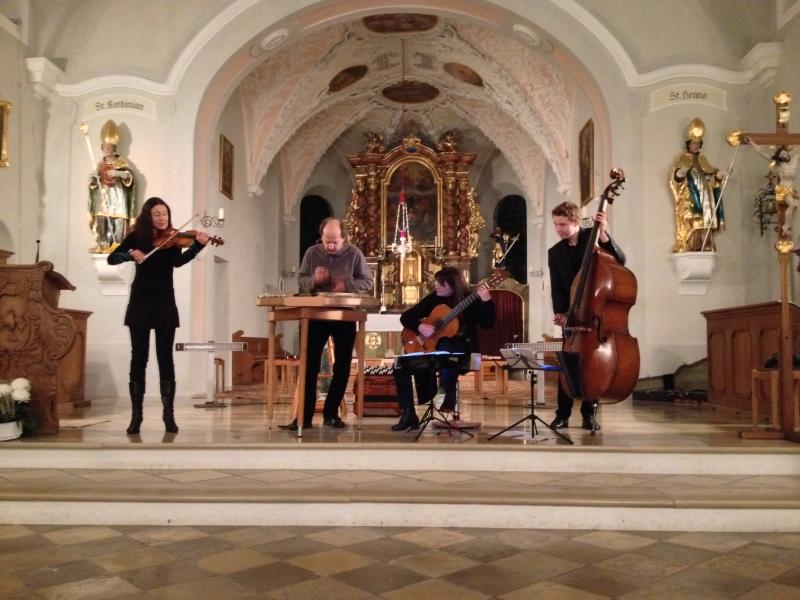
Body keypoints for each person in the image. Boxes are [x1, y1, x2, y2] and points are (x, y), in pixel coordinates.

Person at [107, 197, 209, 435]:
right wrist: (131, 254)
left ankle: (168, 416)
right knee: (138, 358)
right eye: (157, 214)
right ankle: (136, 417)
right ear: (148, 216)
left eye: (165, 213)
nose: (162, 217)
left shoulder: (174, 239)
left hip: (165, 303)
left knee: (166, 359)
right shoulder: (137, 238)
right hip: (140, 303)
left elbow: (179, 262)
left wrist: (198, 246)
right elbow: (112, 258)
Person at [283, 217, 373, 431]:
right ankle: (303, 418)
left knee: (342, 366)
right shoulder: (312, 253)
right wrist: (314, 279)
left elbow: (367, 282)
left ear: (344, 238)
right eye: (327, 242)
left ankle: (331, 414)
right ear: (321, 238)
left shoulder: (354, 254)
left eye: (335, 242)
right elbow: (301, 281)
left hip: (345, 316)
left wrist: (347, 283)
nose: (331, 246)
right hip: (315, 315)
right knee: (309, 365)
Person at [548, 201, 626, 431]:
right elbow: (558, 288)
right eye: (555, 224)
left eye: (562, 224)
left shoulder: (592, 241)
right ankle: (562, 414)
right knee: (567, 365)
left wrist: (603, 236)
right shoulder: (555, 252)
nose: (558, 229)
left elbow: (620, 260)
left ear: (575, 222)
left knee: (592, 365)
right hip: (572, 316)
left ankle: (589, 414)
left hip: (594, 314)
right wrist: (560, 313)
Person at [391, 267, 494, 431]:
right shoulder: (434, 299)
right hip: (432, 352)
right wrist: (421, 326)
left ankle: (448, 393)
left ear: (454, 286)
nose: (436, 287)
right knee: (399, 366)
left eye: (441, 284)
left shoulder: (470, 300)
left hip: (463, 352)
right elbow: (406, 317)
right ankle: (409, 414)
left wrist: (487, 300)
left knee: (445, 345)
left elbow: (488, 324)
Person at [669, 118, 725, 252]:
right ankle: (692, 245)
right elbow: (676, 178)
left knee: (707, 220)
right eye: (693, 143)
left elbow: (711, 175)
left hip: (706, 195)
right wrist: (681, 173)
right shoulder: (683, 159)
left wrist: (719, 176)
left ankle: (707, 243)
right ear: (688, 144)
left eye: (698, 143)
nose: (695, 146)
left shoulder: (703, 160)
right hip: (692, 196)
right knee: (694, 219)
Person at [89, 120, 136, 253]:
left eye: (110, 147)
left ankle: (117, 243)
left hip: (117, 194)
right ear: (102, 148)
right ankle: (103, 244)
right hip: (103, 195)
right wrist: (93, 179)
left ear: (114, 148)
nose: (107, 149)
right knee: (102, 217)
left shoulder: (121, 161)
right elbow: (93, 184)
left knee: (118, 217)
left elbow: (130, 177)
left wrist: (119, 173)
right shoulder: (99, 164)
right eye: (105, 147)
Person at [744, 140, 799, 238]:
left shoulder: (795, 159)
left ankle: (787, 226)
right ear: (779, 157)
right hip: (783, 188)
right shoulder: (777, 164)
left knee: (795, 206)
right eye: (782, 154)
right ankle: (786, 226)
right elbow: (761, 152)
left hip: (791, 189)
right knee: (793, 204)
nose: (784, 155)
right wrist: (751, 143)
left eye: (785, 153)